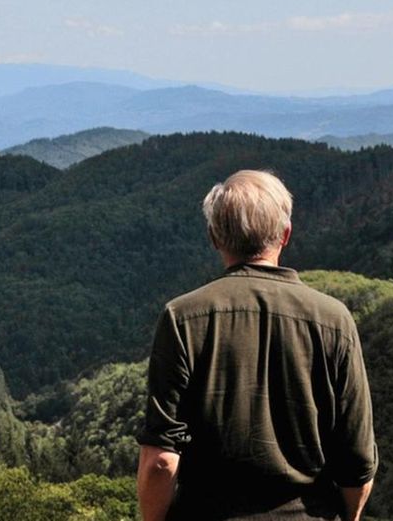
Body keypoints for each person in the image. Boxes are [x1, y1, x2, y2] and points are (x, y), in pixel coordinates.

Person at [136, 170, 377, 521]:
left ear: (214, 236)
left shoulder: (183, 318)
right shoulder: (334, 320)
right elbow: (357, 462)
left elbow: (160, 462)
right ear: (286, 234)